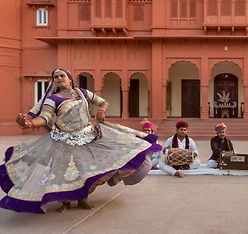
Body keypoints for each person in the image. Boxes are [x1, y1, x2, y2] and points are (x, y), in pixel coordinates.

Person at [0, 68, 159, 214]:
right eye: (56, 77)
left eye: (62, 75)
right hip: (62, 141)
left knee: (86, 171)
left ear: (70, 78)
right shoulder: (52, 99)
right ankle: (65, 202)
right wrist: (29, 123)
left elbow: (103, 102)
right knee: (63, 173)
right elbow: (44, 117)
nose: (59, 78)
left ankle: (82, 199)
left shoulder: (81, 93)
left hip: (88, 137)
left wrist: (101, 111)